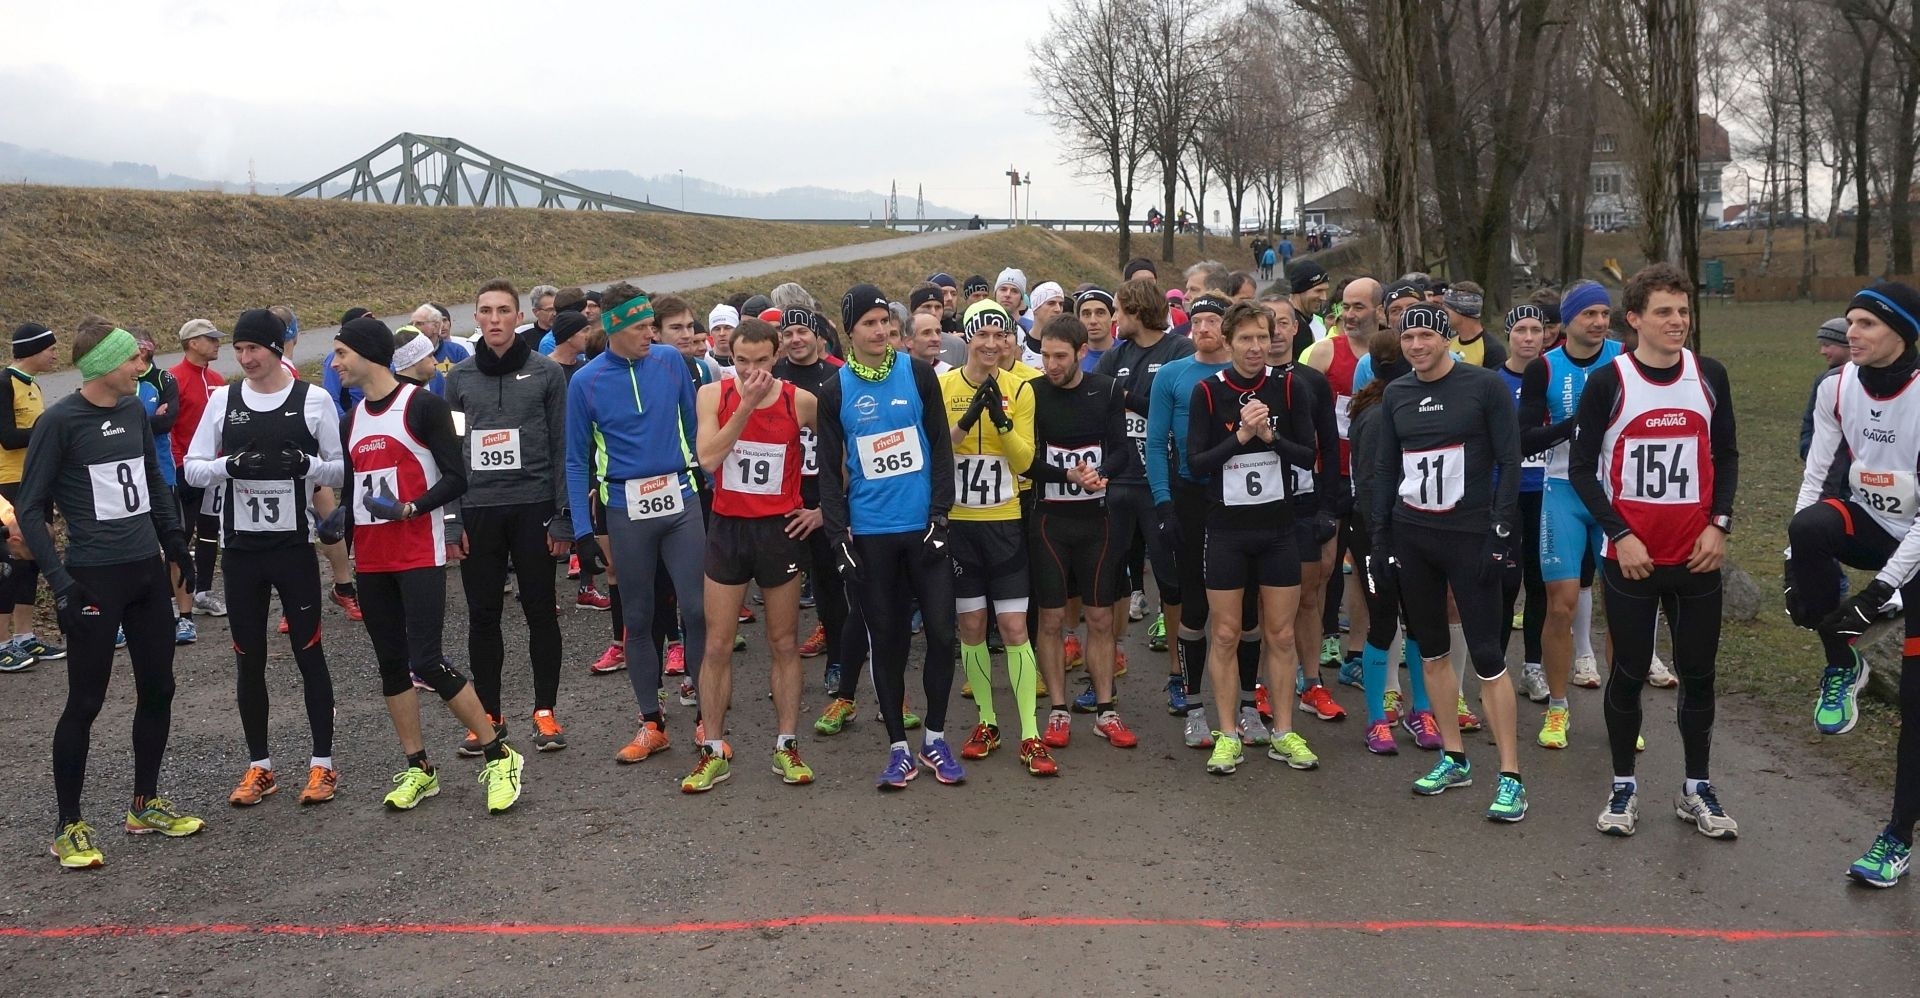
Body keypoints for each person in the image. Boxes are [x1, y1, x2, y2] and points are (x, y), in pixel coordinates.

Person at [21, 320, 202, 868]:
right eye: (133, 361)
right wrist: (60, 583)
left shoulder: (132, 411)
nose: (142, 369)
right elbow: (30, 510)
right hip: (93, 578)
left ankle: (143, 805)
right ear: (104, 366)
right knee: (86, 701)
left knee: (159, 688)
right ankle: (67, 825)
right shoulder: (59, 422)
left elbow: (150, 478)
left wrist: (174, 541)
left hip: (146, 570)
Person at [1570, 264, 1739, 841]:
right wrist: (1620, 534)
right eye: (1664, 311)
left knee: (1698, 674)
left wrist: (1720, 525)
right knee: (1629, 672)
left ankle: (1696, 787)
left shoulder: (1709, 374)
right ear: (1635, 318)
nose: (1677, 322)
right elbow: (1581, 470)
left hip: (1696, 558)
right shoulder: (1609, 382)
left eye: (1684, 311)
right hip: (1633, 560)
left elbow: (1729, 456)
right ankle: (1623, 785)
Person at [335, 315, 526, 814]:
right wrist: (342, 523)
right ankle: (418, 768)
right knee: (391, 665)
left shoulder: (422, 405)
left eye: (341, 354)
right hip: (372, 558)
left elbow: (458, 477)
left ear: (369, 354)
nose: (334, 364)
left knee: (427, 660)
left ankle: (498, 752)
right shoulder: (350, 419)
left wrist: (411, 508)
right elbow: (359, 486)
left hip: (417, 550)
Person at [1370, 303, 1528, 821]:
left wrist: (1502, 530)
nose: (1416, 345)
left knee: (1487, 656)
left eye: (1425, 336)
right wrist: (1380, 538)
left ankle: (1511, 776)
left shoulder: (1483, 386)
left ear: (1445, 339)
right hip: (1415, 537)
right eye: (1407, 337)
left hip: (1470, 535)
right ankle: (1454, 757)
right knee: (1432, 651)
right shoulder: (1396, 393)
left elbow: (1509, 460)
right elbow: (1386, 469)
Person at [182, 308, 344, 808]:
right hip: (243, 553)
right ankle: (261, 767)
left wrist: (309, 465)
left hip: (293, 549)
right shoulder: (222, 400)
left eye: (255, 349)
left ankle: (322, 766)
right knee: (247, 660)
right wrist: (227, 467)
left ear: (276, 349)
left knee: (308, 653)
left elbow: (340, 472)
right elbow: (190, 469)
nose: (246, 358)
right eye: (239, 349)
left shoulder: (312, 399)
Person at [1787, 280, 1920, 886]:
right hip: (1867, 522)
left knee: (1916, 707)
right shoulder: (1836, 386)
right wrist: (1794, 552)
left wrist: (1875, 595)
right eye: (1849, 322)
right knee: (1813, 527)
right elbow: (1818, 474)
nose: (1851, 334)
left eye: (1865, 323)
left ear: (1902, 333)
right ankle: (1843, 664)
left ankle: (1895, 837)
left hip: (1916, 546)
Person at [815, 282, 964, 789]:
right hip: (872, 535)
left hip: (924, 530)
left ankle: (937, 739)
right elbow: (828, 476)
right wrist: (838, 541)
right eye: (869, 324)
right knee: (889, 641)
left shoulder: (919, 375)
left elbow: (941, 448)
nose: (881, 331)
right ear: (850, 332)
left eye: (886, 322)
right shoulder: (834, 392)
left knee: (944, 635)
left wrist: (941, 517)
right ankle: (899, 747)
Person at [565, 285, 710, 764]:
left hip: (681, 499)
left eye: (652, 324)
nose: (651, 333)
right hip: (625, 508)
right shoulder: (585, 382)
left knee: (695, 608)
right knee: (639, 618)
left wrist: (706, 483)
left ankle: (707, 716)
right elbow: (574, 460)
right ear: (612, 328)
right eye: (639, 327)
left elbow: (693, 427)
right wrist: (582, 533)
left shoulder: (670, 361)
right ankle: (652, 721)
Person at [1186, 302, 1322, 774]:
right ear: (1228, 342)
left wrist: (1270, 437)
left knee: (1281, 634)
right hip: (1226, 531)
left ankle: (1284, 731)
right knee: (1224, 632)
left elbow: (1307, 456)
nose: (1255, 347)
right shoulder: (1207, 392)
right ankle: (1228, 734)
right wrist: (1242, 436)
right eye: (1245, 339)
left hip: (1279, 530)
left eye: (1262, 337)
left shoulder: (1290, 387)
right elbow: (1196, 463)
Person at [685, 317, 820, 791]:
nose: (751, 371)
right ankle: (713, 750)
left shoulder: (799, 400)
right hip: (728, 529)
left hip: (778, 531)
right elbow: (709, 459)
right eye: (741, 361)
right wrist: (742, 406)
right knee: (717, 644)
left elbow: (845, 456)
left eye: (761, 362)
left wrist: (821, 511)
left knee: (784, 642)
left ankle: (786, 745)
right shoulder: (713, 396)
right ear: (730, 356)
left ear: (777, 355)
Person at [443, 280, 574, 756]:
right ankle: (490, 716)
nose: (494, 319)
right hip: (479, 509)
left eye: (503, 311)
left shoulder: (545, 373)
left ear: (516, 317)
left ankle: (545, 712)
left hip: (534, 507)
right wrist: (451, 520)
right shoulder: (457, 377)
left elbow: (563, 448)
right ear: (474, 319)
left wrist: (563, 516)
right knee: (483, 616)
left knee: (541, 611)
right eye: (485, 311)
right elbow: (450, 454)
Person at [1521, 281, 1634, 750]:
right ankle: (1558, 708)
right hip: (1564, 492)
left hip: (1615, 497)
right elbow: (1523, 438)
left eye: (1605, 313)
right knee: (1561, 602)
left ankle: (1620, 711)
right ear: (1566, 322)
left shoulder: (1626, 358)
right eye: (1589, 314)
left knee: (1622, 607)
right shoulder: (1544, 367)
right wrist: (1573, 426)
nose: (1599, 322)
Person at [941, 301, 1051, 775]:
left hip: (1005, 520)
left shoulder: (1021, 387)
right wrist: (967, 422)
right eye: (981, 334)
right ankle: (987, 721)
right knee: (971, 626)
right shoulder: (943, 385)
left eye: (999, 334)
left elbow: (1025, 461)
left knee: (1012, 628)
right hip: (959, 524)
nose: (990, 343)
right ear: (968, 336)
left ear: (1009, 338)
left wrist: (1001, 420)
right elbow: (936, 448)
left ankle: (1030, 732)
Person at [1026, 314, 1137, 750]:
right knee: (1051, 618)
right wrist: (1067, 475)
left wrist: (1101, 473)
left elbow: (1123, 451)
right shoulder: (1032, 393)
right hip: (1050, 521)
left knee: (1100, 617)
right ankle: (1057, 709)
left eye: (1059, 357)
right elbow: (1027, 462)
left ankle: (1106, 710)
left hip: (1097, 521)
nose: (1050, 365)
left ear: (1080, 354)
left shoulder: (1105, 389)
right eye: (1045, 355)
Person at [1096, 278, 1196, 708]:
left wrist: (1125, 397)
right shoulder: (1114, 355)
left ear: (1136, 310)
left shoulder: (1178, 352)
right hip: (1117, 484)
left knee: (1171, 585)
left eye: (1117, 310)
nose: (1113, 319)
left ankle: (1179, 674)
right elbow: (1098, 403)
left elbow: (1166, 409)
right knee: (1109, 580)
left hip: (1160, 484)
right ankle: (1106, 670)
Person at [1147, 294, 1236, 749]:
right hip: (1189, 497)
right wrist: (1163, 504)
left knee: (1245, 606)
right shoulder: (1173, 374)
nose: (1202, 328)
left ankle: (1245, 703)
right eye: (1196, 320)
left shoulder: (1245, 372)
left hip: (1240, 499)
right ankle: (1190, 690)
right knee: (1193, 602)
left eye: (1212, 320)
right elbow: (1156, 442)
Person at [0, 322, 65, 671]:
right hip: (8, 487)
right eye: (49, 348)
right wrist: (48, 428)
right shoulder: (4, 382)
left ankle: (25, 637)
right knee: (9, 561)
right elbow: (8, 437)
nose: (56, 353)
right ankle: (2, 643)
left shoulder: (33, 385)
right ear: (32, 351)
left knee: (34, 559)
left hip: (36, 481)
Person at [1497, 305, 1553, 703]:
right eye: (1521, 330)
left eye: (1537, 329)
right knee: (1503, 584)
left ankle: (1532, 666)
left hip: (1547, 491)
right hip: (1505, 492)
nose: (1530, 337)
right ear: (1509, 336)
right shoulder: (1492, 381)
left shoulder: (1554, 376)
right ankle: (1495, 668)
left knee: (1539, 582)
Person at [168, 319, 227, 620]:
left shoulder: (218, 378)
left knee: (210, 530)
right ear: (193, 343)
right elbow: (170, 429)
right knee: (181, 533)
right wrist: (180, 466)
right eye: (210, 339)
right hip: (186, 469)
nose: (217, 344)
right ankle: (176, 599)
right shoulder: (174, 379)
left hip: (215, 469)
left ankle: (203, 591)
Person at [1800, 317, 1851, 460]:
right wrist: (1808, 449)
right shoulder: (1824, 381)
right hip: (1826, 468)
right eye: (1821, 345)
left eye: (1827, 345)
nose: (1822, 351)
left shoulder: (1862, 382)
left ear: (1847, 344)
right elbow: (1810, 421)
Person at [1441, 282, 1508, 370]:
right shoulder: (1448, 343)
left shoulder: (1493, 350)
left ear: (1462, 311)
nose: (1443, 315)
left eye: (1446, 311)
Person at [1289, 261, 1330, 348]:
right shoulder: (1287, 326)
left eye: (1325, 291)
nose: (1324, 298)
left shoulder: (1315, 320)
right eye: (1318, 291)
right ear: (1300, 290)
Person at [1077, 287, 1117, 371]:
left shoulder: (1129, 352)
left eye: (1100, 313)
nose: (1093, 321)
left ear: (1113, 316)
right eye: (1086, 314)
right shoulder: (1072, 357)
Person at [517, 284, 558, 354]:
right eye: (549, 310)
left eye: (557, 309)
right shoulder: (520, 335)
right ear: (535, 312)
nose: (554, 313)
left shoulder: (568, 333)